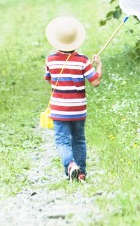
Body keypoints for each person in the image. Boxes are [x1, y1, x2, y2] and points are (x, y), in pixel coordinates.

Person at [44, 16, 102, 182]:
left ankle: (70, 165)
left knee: (62, 140)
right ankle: (81, 172)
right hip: (78, 109)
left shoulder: (51, 60)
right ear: (76, 40)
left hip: (59, 109)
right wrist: (98, 65)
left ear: (56, 41)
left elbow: (49, 79)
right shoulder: (83, 60)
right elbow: (95, 82)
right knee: (79, 140)